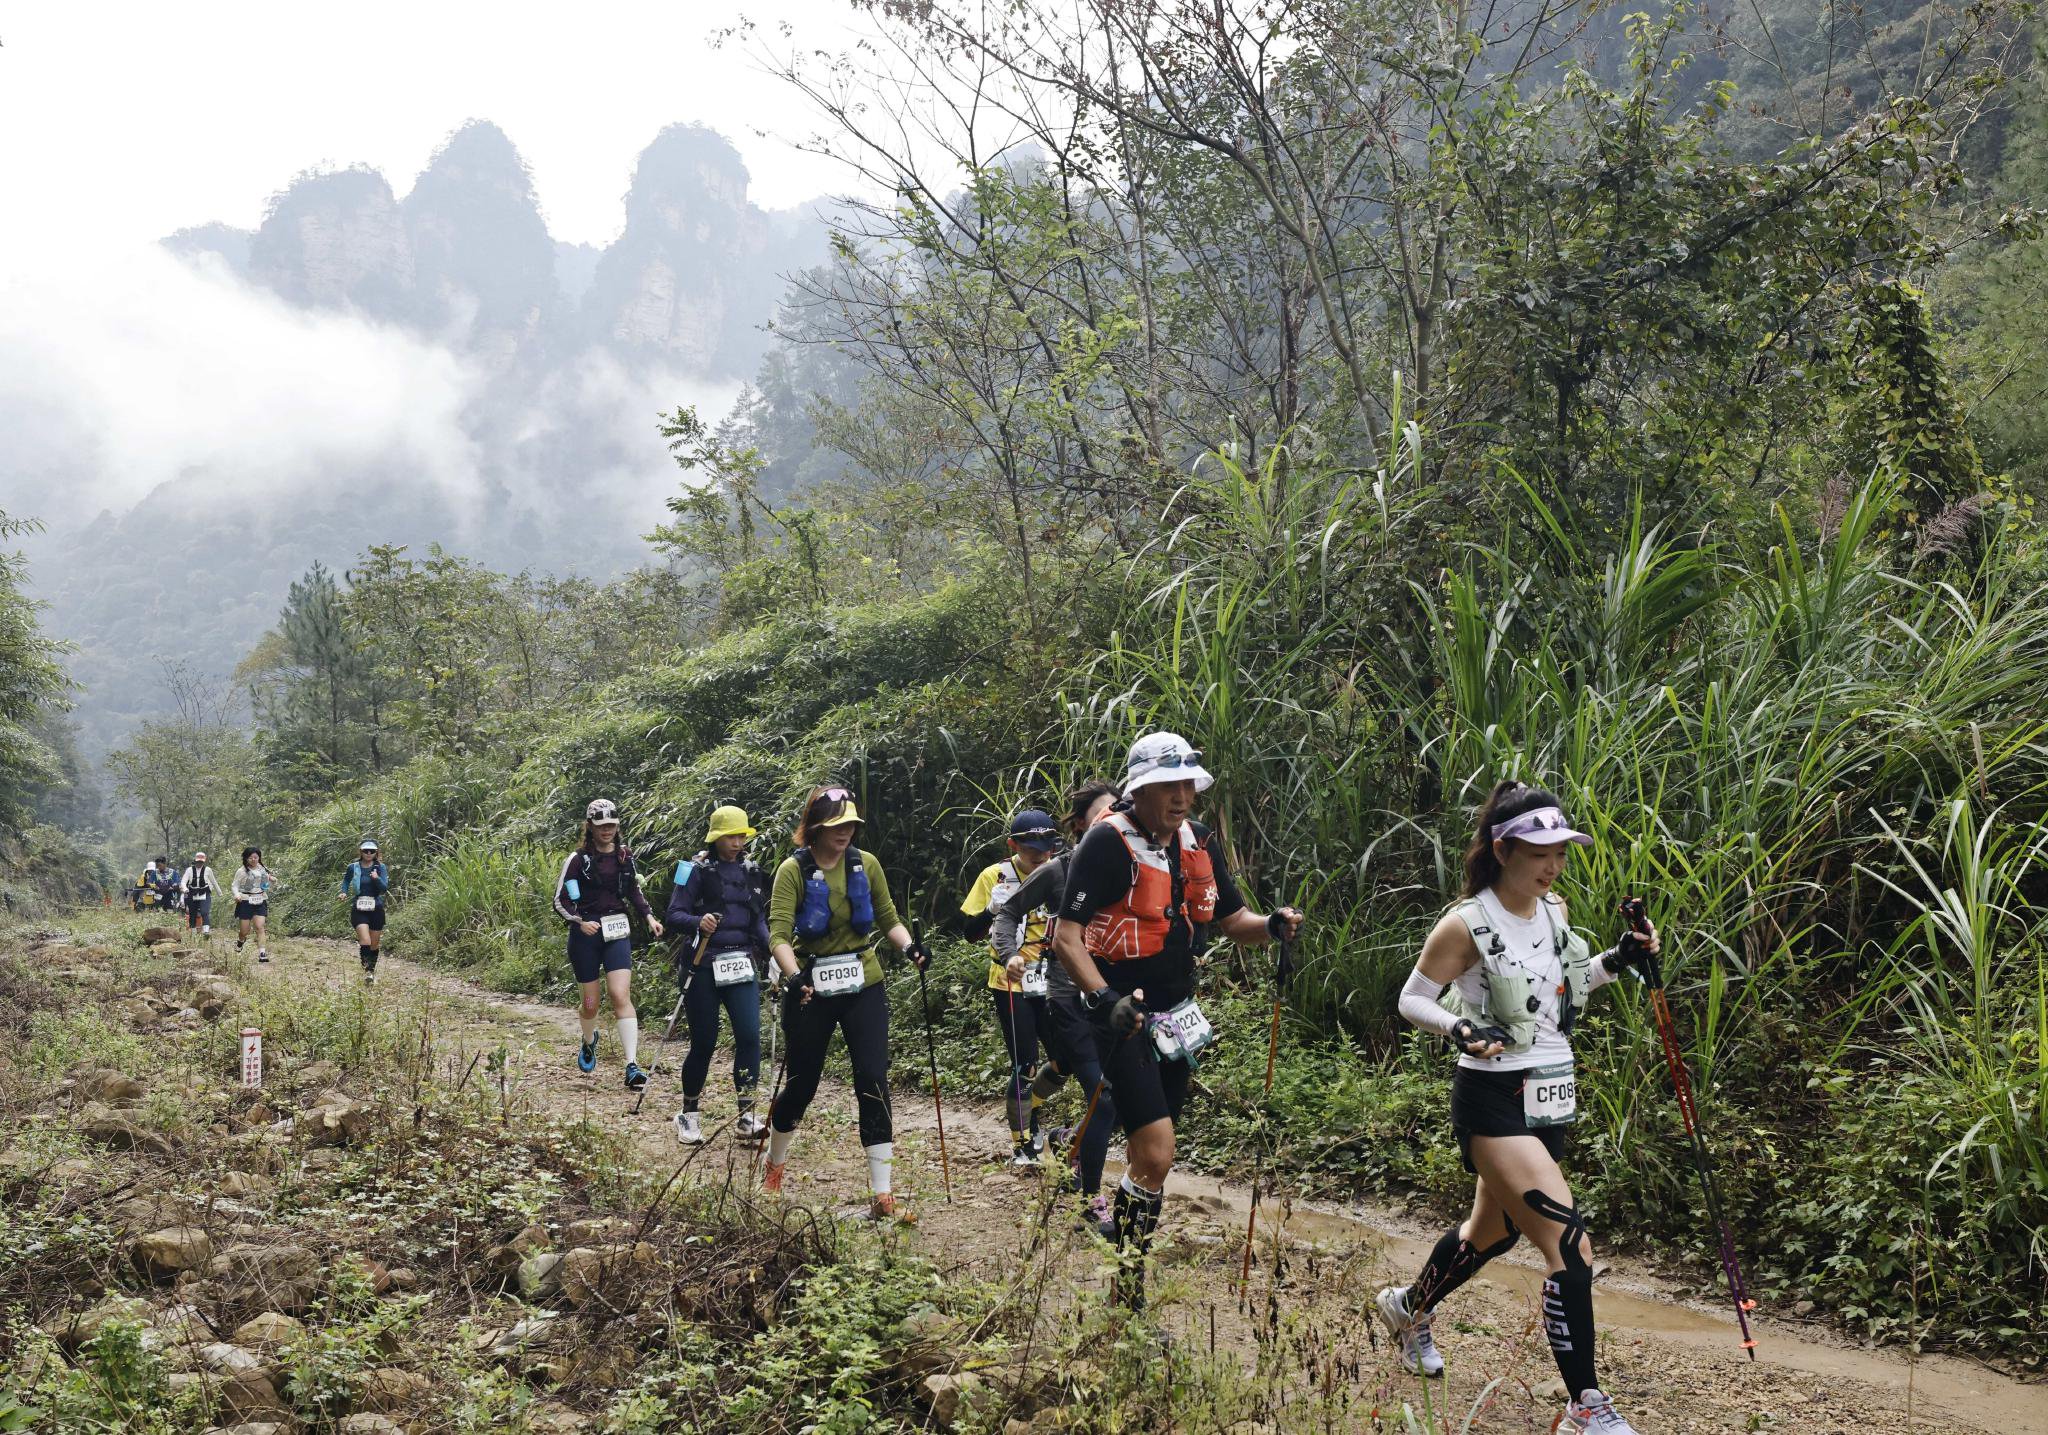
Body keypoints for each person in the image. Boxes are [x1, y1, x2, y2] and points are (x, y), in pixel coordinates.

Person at [1377, 780, 1658, 1435]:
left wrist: (1621, 956)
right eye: (1539, 851)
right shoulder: (1466, 922)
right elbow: (1412, 997)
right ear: (1503, 848)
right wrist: (1457, 1027)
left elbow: (1568, 982)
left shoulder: (1551, 909)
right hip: (1492, 1102)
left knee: (1493, 1232)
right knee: (1571, 1247)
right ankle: (1585, 1406)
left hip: (1548, 1097)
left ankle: (1408, 1306)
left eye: (1560, 849)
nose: (1552, 862)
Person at [1051, 732, 1302, 1311]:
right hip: (1124, 1016)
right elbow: (1066, 937)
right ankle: (1129, 1288)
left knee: (1150, 1158)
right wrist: (1102, 998)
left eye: (1188, 783)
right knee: (1159, 1150)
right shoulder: (1106, 845)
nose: (1182, 795)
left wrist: (1272, 926)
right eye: (1168, 785)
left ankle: (1122, 1264)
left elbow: (1232, 917)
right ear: (1139, 790)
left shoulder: (1198, 842)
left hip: (1178, 1016)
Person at [762, 786, 930, 1221]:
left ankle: (883, 1193)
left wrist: (911, 948)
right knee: (802, 1084)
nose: (845, 833)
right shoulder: (792, 870)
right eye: (837, 826)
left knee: (873, 1078)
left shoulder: (865, 864)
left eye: (851, 825)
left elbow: (889, 918)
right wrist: (793, 973)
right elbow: (779, 934)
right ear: (815, 828)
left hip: (863, 982)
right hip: (810, 989)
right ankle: (774, 1165)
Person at [993, 780, 1120, 1228]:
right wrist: (1009, 953)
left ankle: (1068, 1141)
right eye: (1102, 813)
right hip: (1067, 998)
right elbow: (1008, 912)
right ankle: (1090, 1200)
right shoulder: (1059, 870)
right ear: (1082, 825)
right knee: (1102, 1095)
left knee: (1115, 1097)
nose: (1112, 819)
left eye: (1118, 810)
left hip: (1116, 1000)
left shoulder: (1134, 864)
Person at [959, 809, 1062, 1167]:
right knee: (1026, 1064)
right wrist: (991, 910)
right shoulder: (994, 875)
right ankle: (1024, 1140)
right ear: (1013, 844)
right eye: (1031, 846)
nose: (1040, 853)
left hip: (1053, 978)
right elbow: (969, 933)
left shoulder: (1060, 870)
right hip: (1009, 981)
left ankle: (1027, 1105)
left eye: (1047, 845)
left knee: (1063, 1060)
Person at [665, 804, 771, 1144]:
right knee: (705, 1041)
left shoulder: (752, 871)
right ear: (716, 838)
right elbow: (673, 915)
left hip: (741, 963)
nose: (737, 842)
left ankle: (746, 1115)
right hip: (703, 964)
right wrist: (699, 921)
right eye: (730, 836)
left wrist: (776, 952)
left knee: (749, 1036)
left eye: (741, 835)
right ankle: (689, 1114)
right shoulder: (692, 870)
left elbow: (758, 920)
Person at [552, 798, 664, 1090]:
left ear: (617, 825)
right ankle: (589, 1041)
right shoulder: (577, 860)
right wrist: (579, 921)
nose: (607, 830)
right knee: (591, 1004)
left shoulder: (625, 856)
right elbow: (559, 900)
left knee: (619, 995)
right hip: (586, 935)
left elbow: (634, 892)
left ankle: (632, 1065)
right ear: (590, 826)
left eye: (612, 825)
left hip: (616, 931)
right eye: (601, 826)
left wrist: (650, 917)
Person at [342, 840, 391, 982]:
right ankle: (366, 971)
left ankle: (371, 971)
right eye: (365, 850)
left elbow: (384, 888)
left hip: (376, 908)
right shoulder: (353, 867)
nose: (369, 853)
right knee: (365, 940)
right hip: (359, 908)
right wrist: (343, 892)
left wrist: (376, 878)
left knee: (374, 944)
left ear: (376, 852)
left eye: (372, 851)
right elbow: (346, 881)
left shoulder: (380, 867)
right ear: (361, 851)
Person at [232, 848, 275, 963]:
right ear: (246, 859)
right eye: (250, 858)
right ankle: (241, 941)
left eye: (256, 857)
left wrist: (272, 880)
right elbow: (235, 885)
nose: (253, 860)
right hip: (245, 901)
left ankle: (262, 954)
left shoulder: (263, 869)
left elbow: (267, 881)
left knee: (260, 927)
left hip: (260, 900)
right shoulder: (241, 871)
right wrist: (237, 895)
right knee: (244, 931)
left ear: (259, 858)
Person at [180, 851, 223, 937]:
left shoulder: (208, 870)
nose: (199, 863)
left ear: (204, 861)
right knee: (192, 913)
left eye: (201, 861)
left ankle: (206, 931)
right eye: (198, 861)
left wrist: (220, 893)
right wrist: (185, 889)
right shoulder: (189, 870)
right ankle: (193, 932)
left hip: (204, 893)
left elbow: (214, 882)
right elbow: (183, 881)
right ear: (195, 860)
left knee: (205, 912)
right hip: (192, 893)